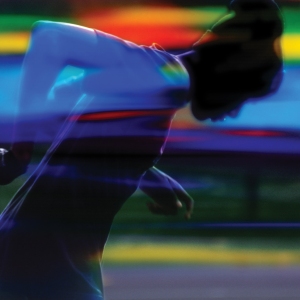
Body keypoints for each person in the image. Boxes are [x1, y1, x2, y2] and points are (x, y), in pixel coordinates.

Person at [0, 0, 283, 299]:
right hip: (44, 274)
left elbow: (68, 102)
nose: (235, 112)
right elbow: (50, 38)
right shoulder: (159, 75)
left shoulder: (160, 84)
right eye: (245, 95)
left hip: (40, 263)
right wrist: (21, 149)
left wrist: (145, 173)